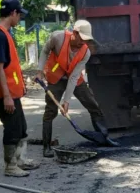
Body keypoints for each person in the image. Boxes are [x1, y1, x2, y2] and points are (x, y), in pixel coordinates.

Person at [35, 20, 108, 158]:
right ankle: (46, 146)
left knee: (92, 104)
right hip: (56, 76)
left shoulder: (85, 52)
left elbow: (74, 77)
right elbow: (45, 51)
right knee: (50, 110)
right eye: (82, 38)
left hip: (74, 77)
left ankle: (104, 137)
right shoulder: (58, 38)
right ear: (74, 33)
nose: (83, 42)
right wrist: (39, 71)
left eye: (86, 39)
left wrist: (66, 101)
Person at [0, 0, 38, 177]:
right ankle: (10, 166)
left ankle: (20, 160)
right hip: (5, 94)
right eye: (19, 15)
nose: (20, 19)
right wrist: (7, 95)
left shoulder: (5, 33)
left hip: (11, 92)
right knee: (12, 128)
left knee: (20, 127)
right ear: (13, 13)